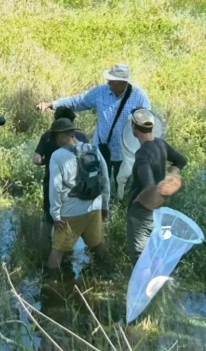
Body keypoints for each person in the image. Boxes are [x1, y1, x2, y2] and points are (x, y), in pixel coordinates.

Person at [38, 64, 151, 192]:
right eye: (109, 80)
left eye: (112, 81)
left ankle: (121, 207)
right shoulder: (100, 92)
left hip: (125, 153)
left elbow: (147, 123)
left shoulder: (139, 97)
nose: (108, 83)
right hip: (101, 149)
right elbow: (77, 101)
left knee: (124, 187)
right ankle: (102, 209)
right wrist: (52, 104)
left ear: (123, 82)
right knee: (98, 186)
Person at [47, 118, 110, 277]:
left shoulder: (57, 156)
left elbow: (55, 188)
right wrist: (104, 206)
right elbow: (105, 179)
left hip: (71, 211)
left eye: (55, 136)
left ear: (62, 135)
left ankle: (50, 286)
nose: (54, 140)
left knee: (57, 251)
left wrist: (55, 214)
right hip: (94, 206)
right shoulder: (93, 149)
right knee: (98, 245)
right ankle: (110, 273)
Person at [127, 108, 187, 266]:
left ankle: (144, 289)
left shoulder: (142, 154)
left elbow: (149, 187)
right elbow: (181, 160)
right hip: (158, 210)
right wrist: (171, 176)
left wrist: (136, 203)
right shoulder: (160, 143)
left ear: (134, 126)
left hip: (142, 211)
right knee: (155, 252)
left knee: (141, 258)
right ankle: (159, 287)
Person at [33, 107, 89, 225]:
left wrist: (46, 161)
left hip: (51, 184)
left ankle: (50, 239)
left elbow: (36, 159)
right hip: (79, 185)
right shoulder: (81, 137)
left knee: (52, 220)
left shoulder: (48, 136)